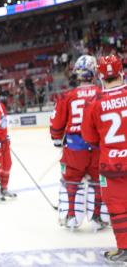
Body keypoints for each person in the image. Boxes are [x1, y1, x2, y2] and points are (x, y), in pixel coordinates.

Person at [50, 54, 109, 231]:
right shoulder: (102, 94)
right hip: (98, 148)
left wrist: (56, 140)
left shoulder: (67, 96)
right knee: (99, 181)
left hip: (74, 150)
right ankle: (98, 217)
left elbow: (56, 124)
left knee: (71, 181)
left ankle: (71, 217)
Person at [82, 54, 127, 264]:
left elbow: (89, 138)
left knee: (118, 208)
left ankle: (124, 249)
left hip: (111, 165)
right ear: (121, 72)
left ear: (100, 75)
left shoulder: (93, 103)